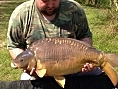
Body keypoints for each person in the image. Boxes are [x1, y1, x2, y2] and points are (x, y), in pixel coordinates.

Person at [7, 0, 115, 88]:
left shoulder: (73, 9)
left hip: (75, 67)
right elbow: (13, 45)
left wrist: (87, 59)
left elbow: (85, 36)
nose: (50, 5)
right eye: (45, 0)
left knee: (99, 76)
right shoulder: (21, 14)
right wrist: (28, 66)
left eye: (54, 0)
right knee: (25, 81)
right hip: (37, 71)